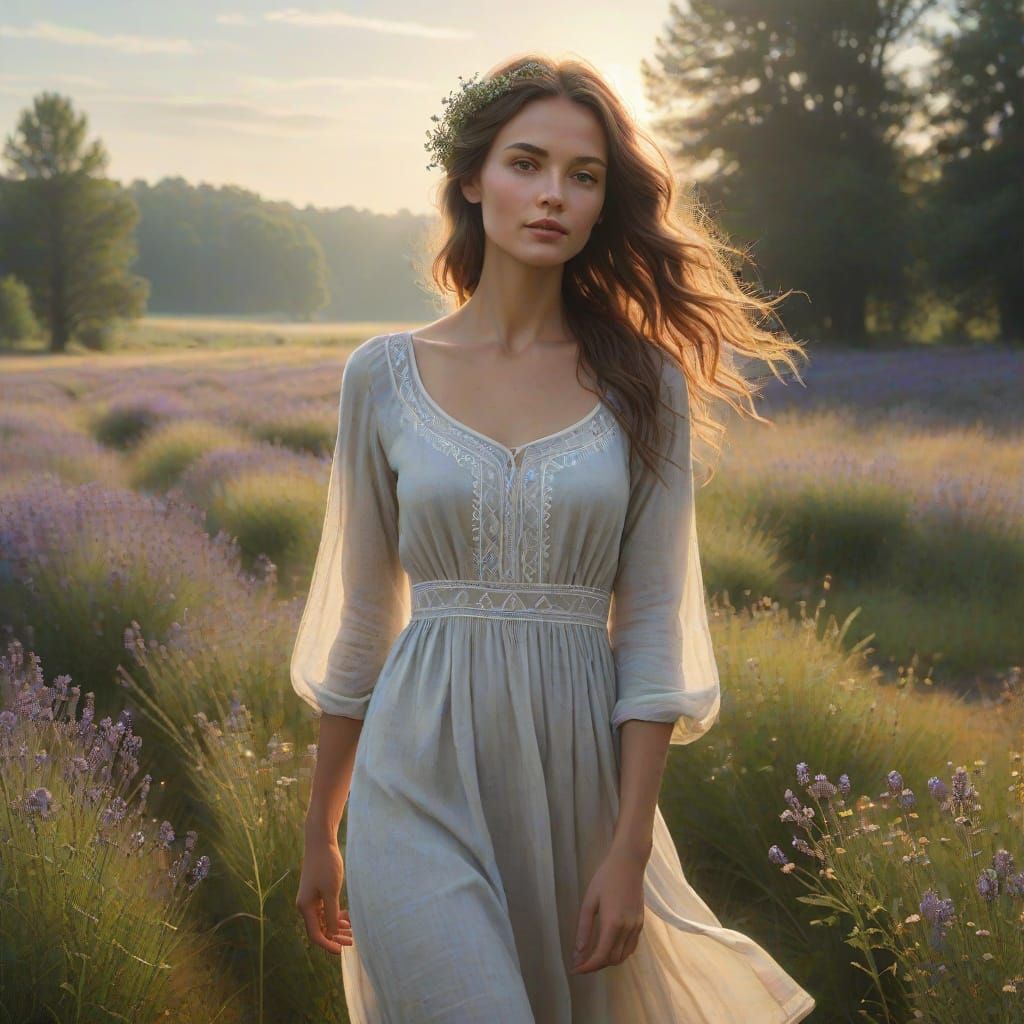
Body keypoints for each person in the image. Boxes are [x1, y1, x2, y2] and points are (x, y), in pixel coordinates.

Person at [291, 53, 815, 1023]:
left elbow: (652, 625)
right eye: (526, 164)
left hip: (577, 787)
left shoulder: (642, 381)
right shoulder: (383, 374)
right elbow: (364, 615)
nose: (552, 196)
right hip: (413, 777)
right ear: (470, 177)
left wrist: (629, 849)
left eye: (583, 177)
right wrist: (322, 824)